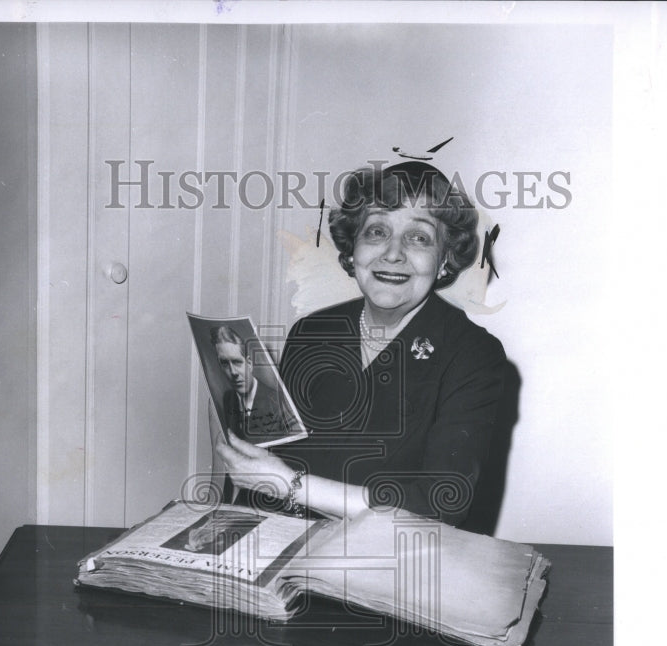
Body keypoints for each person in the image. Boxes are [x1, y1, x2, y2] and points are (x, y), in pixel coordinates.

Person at [215, 160, 506, 531]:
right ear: (353, 249)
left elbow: (440, 505)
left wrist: (291, 485)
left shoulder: (474, 355)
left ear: (445, 258)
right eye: (377, 232)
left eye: (419, 237)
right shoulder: (312, 331)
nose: (393, 253)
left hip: (396, 565)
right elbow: (271, 469)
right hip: (289, 549)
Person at [210, 325, 300, 443]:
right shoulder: (227, 398)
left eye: (237, 362)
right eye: (225, 364)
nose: (233, 372)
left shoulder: (277, 400)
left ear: (249, 364)